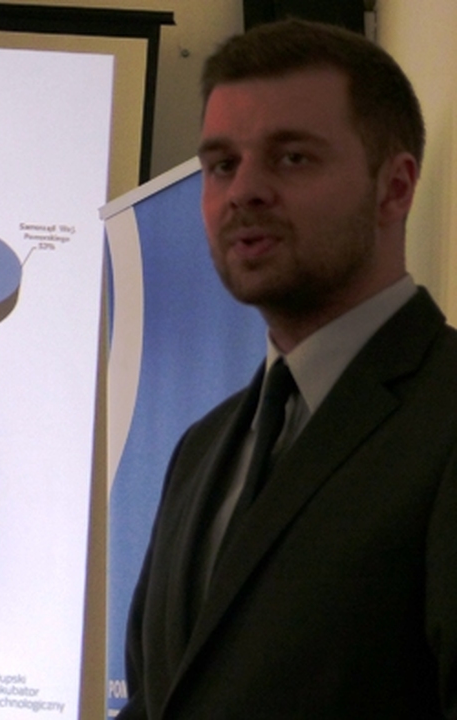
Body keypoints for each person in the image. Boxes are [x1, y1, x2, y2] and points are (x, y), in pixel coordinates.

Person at [118, 19, 457, 719]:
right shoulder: (202, 448)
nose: (244, 191)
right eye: (222, 165)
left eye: (293, 157)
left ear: (394, 189)